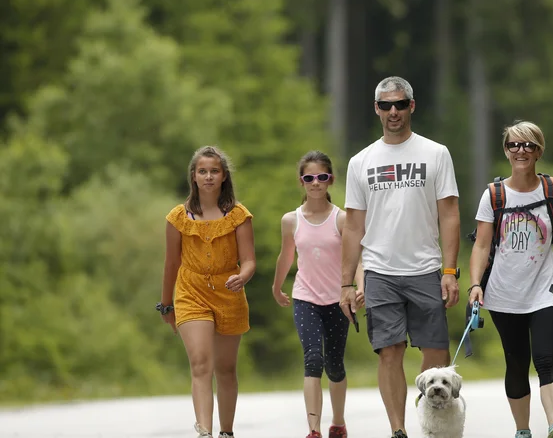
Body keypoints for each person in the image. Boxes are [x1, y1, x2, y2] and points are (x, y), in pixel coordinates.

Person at [339, 76, 461, 438]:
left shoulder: (435, 153)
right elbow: (352, 225)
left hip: (425, 267)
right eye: (386, 105)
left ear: (412, 106)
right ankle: (398, 430)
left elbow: (450, 213)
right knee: (388, 352)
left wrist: (450, 270)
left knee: (436, 353)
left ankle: (434, 425)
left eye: (401, 104)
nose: (394, 111)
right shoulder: (361, 161)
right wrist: (347, 281)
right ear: (377, 109)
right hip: (380, 270)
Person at [467, 120, 553, 438]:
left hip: (545, 292)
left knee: (547, 359)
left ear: (538, 151)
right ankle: (523, 430)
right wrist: (475, 284)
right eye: (514, 145)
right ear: (506, 151)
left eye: (528, 145)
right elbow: (482, 245)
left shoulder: (552, 190)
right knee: (516, 364)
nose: (520, 150)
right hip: (503, 294)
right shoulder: (494, 195)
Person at [158, 146, 256, 438]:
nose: (209, 176)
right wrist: (166, 305)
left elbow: (249, 259)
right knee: (201, 363)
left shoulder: (238, 215)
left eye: (214, 171)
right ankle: (205, 432)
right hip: (191, 292)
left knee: (225, 369)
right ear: (194, 176)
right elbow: (171, 263)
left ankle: (226, 431)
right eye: (203, 171)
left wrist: (243, 276)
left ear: (224, 176)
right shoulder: (178, 217)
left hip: (229, 292)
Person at [272, 150, 365, 438]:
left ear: (330, 180)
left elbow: (357, 258)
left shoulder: (341, 219)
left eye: (321, 177)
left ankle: (337, 421)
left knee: (335, 364)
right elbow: (286, 256)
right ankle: (313, 429)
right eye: (309, 178)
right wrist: (277, 286)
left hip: (337, 301)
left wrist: (359, 287)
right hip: (305, 298)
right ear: (301, 182)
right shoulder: (291, 220)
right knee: (313, 359)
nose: (315, 183)